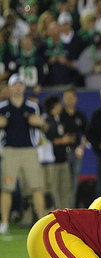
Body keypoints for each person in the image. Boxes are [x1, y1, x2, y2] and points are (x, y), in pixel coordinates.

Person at [0, 74, 47, 235]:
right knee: (7, 188)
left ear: (24, 88)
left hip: (29, 150)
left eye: (21, 85)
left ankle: (41, 223)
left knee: (37, 187)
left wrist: (39, 122)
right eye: (15, 85)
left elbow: (42, 124)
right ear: (10, 88)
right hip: (10, 150)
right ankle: (4, 223)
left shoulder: (32, 106)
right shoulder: (3, 106)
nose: (18, 87)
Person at [42, 95, 74, 209]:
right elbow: (47, 139)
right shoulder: (46, 120)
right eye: (59, 104)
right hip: (52, 162)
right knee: (51, 191)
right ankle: (49, 217)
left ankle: (65, 216)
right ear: (54, 106)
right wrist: (63, 140)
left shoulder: (59, 119)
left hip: (63, 159)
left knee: (65, 189)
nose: (61, 106)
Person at [60, 88, 88, 208]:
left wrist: (81, 147)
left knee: (73, 182)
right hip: (61, 153)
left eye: (71, 97)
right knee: (62, 182)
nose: (69, 100)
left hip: (75, 153)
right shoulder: (59, 115)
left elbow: (87, 133)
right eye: (67, 97)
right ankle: (60, 208)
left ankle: (69, 208)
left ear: (76, 99)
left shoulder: (80, 116)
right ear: (63, 99)